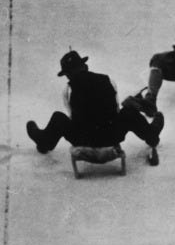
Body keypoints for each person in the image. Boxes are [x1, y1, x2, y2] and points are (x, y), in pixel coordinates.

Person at [25, 50, 165, 165]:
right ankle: (151, 135)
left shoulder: (68, 89)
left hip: (83, 139)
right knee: (128, 112)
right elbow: (115, 110)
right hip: (111, 136)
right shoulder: (107, 79)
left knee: (58, 117)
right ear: (85, 67)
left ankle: (43, 142)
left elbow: (72, 116)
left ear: (67, 75)